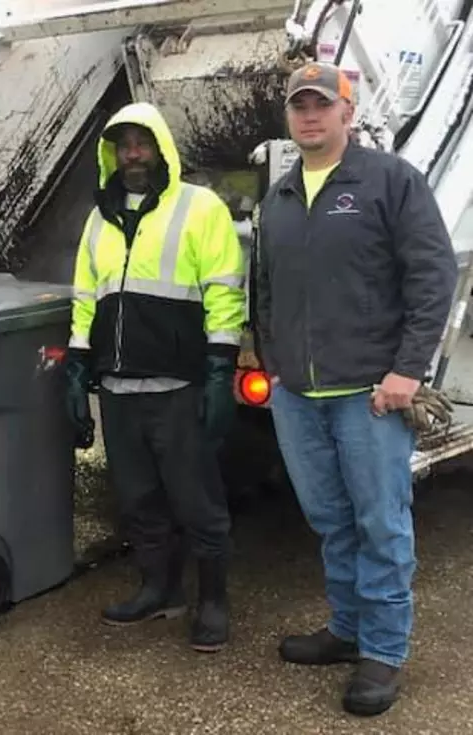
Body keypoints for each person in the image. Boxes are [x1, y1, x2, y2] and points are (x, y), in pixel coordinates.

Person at [256, 62, 458, 716]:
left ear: (348, 112)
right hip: (297, 397)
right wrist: (274, 359)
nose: (310, 115)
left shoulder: (389, 182)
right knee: (330, 520)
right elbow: (265, 287)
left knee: (380, 523)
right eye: (299, 106)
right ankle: (346, 628)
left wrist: (407, 370)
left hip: (369, 393)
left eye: (322, 104)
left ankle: (383, 651)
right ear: (288, 117)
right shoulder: (280, 198)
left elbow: (432, 279)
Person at [65, 101, 247, 652]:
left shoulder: (201, 208)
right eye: (123, 146)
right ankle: (158, 589)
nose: (133, 154)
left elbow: (223, 291)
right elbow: (84, 298)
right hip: (119, 390)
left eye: (142, 143)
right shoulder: (100, 218)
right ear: (112, 155)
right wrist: (77, 366)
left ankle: (213, 602)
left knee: (197, 502)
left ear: (160, 147)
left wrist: (220, 368)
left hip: (177, 386)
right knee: (138, 499)